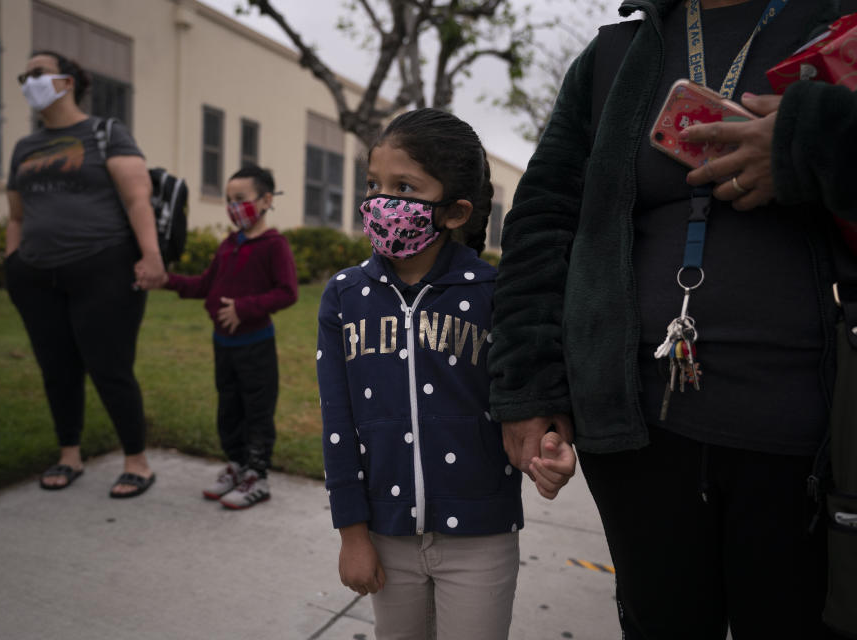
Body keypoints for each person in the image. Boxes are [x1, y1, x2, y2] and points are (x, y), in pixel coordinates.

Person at [489, 0, 857, 638]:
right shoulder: (613, 55)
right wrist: (530, 387)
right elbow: (544, 222)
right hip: (639, 438)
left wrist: (809, 143)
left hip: (811, 440)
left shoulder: (841, 24)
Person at [316, 108, 577, 639]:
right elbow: (337, 426)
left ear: (455, 212)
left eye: (403, 186)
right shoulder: (344, 296)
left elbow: (533, 396)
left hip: (482, 536)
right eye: (373, 184)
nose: (379, 200)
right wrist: (352, 534)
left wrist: (553, 444)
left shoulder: (497, 293)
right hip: (385, 535)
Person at [5, 51, 164, 498]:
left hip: (103, 268)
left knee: (109, 366)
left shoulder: (105, 132)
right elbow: (16, 215)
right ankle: (68, 454)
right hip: (35, 274)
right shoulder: (24, 147)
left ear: (66, 81)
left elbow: (138, 199)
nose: (28, 81)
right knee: (56, 368)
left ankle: (137, 461)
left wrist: (151, 256)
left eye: (36, 73)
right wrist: (11, 263)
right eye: (24, 75)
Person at [148, 166, 297, 509]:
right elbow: (204, 285)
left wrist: (245, 308)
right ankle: (237, 465)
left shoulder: (274, 246)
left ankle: (257, 476)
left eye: (241, 199)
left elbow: (287, 292)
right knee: (229, 409)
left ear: (266, 201)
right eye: (229, 200)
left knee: (256, 411)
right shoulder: (228, 245)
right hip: (223, 347)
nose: (234, 207)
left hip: (255, 347)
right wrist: (165, 280)